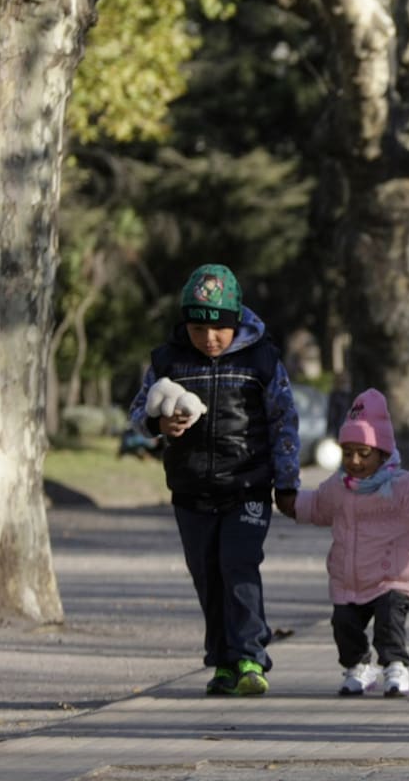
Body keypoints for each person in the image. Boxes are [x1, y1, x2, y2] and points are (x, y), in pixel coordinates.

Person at [127, 263, 300, 696]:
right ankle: (223, 662)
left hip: (248, 488)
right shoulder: (168, 360)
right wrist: (157, 425)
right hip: (191, 492)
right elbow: (138, 412)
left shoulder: (262, 359)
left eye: (219, 328)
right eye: (198, 329)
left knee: (238, 565)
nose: (209, 338)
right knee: (207, 575)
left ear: (236, 320)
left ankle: (250, 658)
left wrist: (287, 483)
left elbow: (284, 421)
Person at [289, 388, 409, 697]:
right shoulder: (338, 488)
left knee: (388, 621)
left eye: (363, 453)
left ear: (382, 453)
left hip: (391, 577)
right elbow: (317, 505)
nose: (355, 461)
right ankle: (358, 667)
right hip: (350, 579)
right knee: (343, 624)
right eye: (347, 453)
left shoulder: (402, 486)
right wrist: (289, 501)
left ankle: (395, 666)